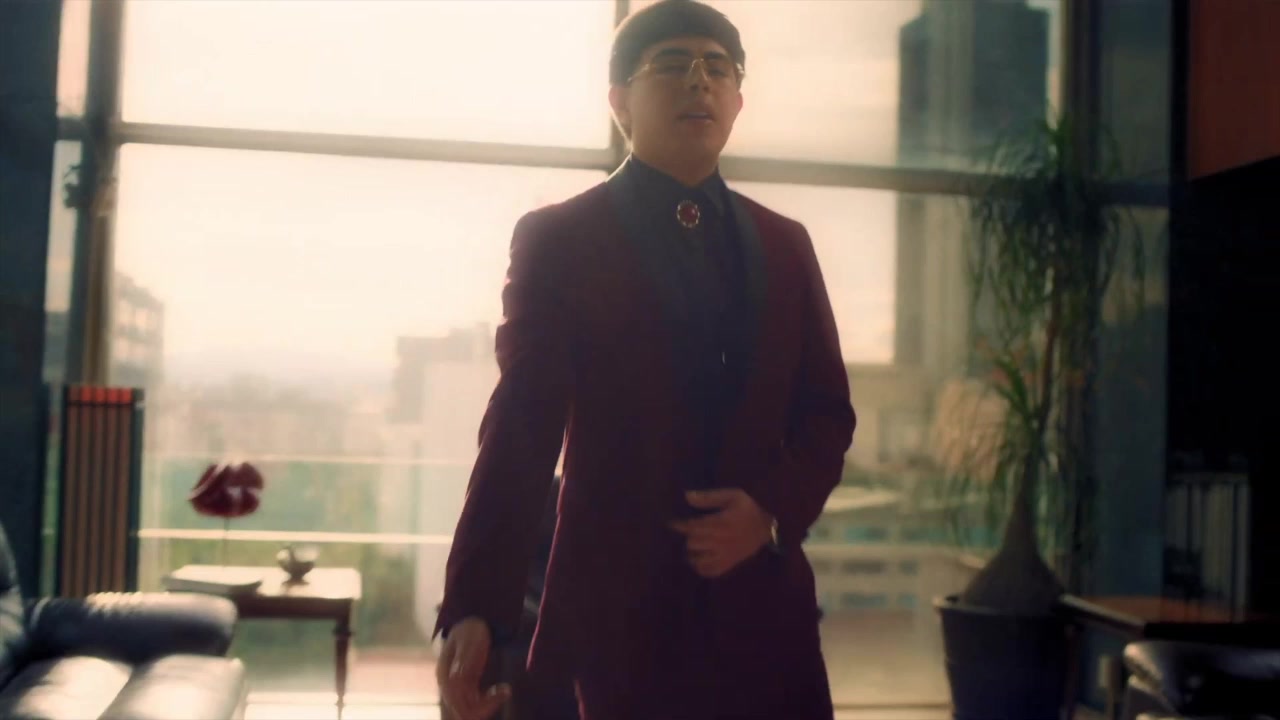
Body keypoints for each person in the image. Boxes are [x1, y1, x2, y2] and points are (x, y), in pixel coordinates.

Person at [434, 1, 856, 718]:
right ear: (619, 101)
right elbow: (521, 426)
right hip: (615, 619)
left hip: (763, 614)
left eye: (718, 68)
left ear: (738, 101)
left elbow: (827, 414)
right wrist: (475, 604)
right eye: (672, 64)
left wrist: (769, 510)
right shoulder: (561, 239)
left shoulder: (786, 244)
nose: (700, 80)